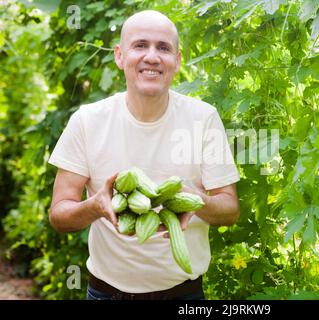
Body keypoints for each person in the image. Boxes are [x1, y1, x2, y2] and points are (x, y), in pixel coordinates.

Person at [48, 10, 240, 300]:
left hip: (184, 295)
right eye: (140, 45)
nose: (152, 56)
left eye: (163, 48)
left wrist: (198, 201)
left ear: (178, 60)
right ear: (120, 56)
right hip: (106, 293)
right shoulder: (88, 121)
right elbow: (59, 215)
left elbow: (230, 209)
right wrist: (96, 206)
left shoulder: (203, 119)